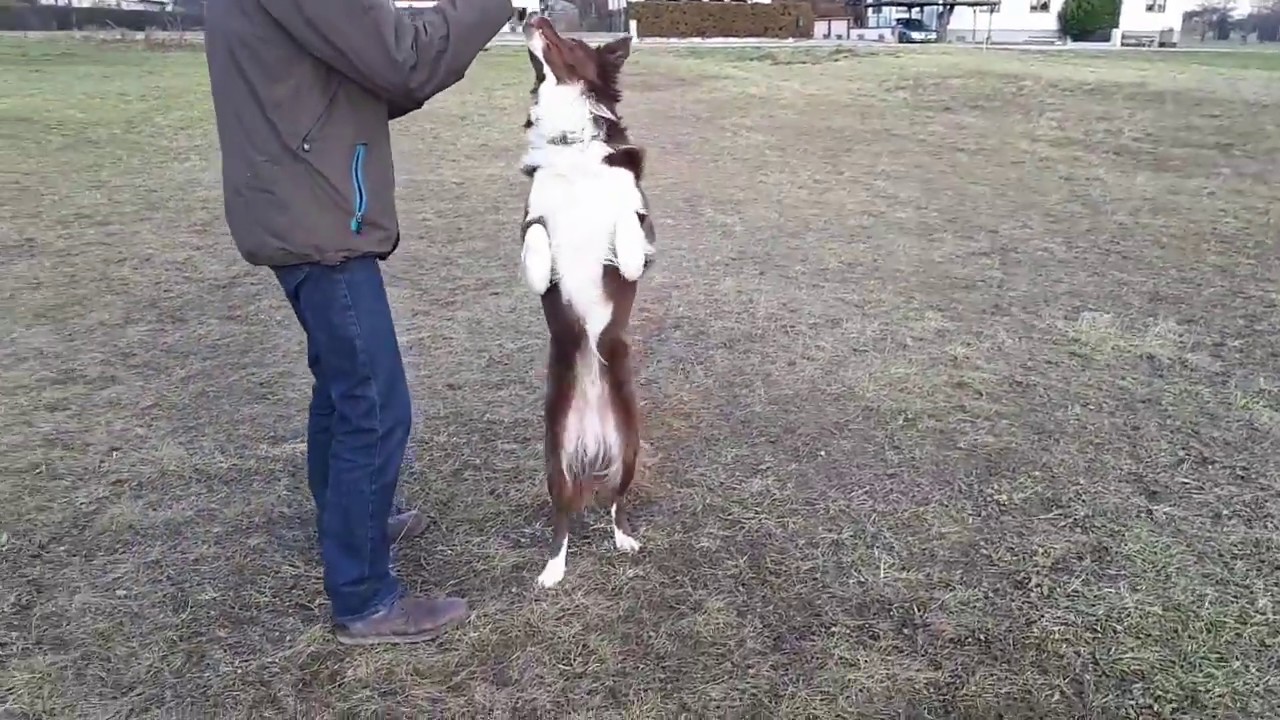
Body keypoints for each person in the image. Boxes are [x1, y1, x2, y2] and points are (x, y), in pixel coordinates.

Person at [204, 0, 514, 646]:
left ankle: (353, 522)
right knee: (374, 403)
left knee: (344, 388)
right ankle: (365, 597)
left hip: (296, 196)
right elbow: (404, 58)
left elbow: (361, 69)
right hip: (314, 209)